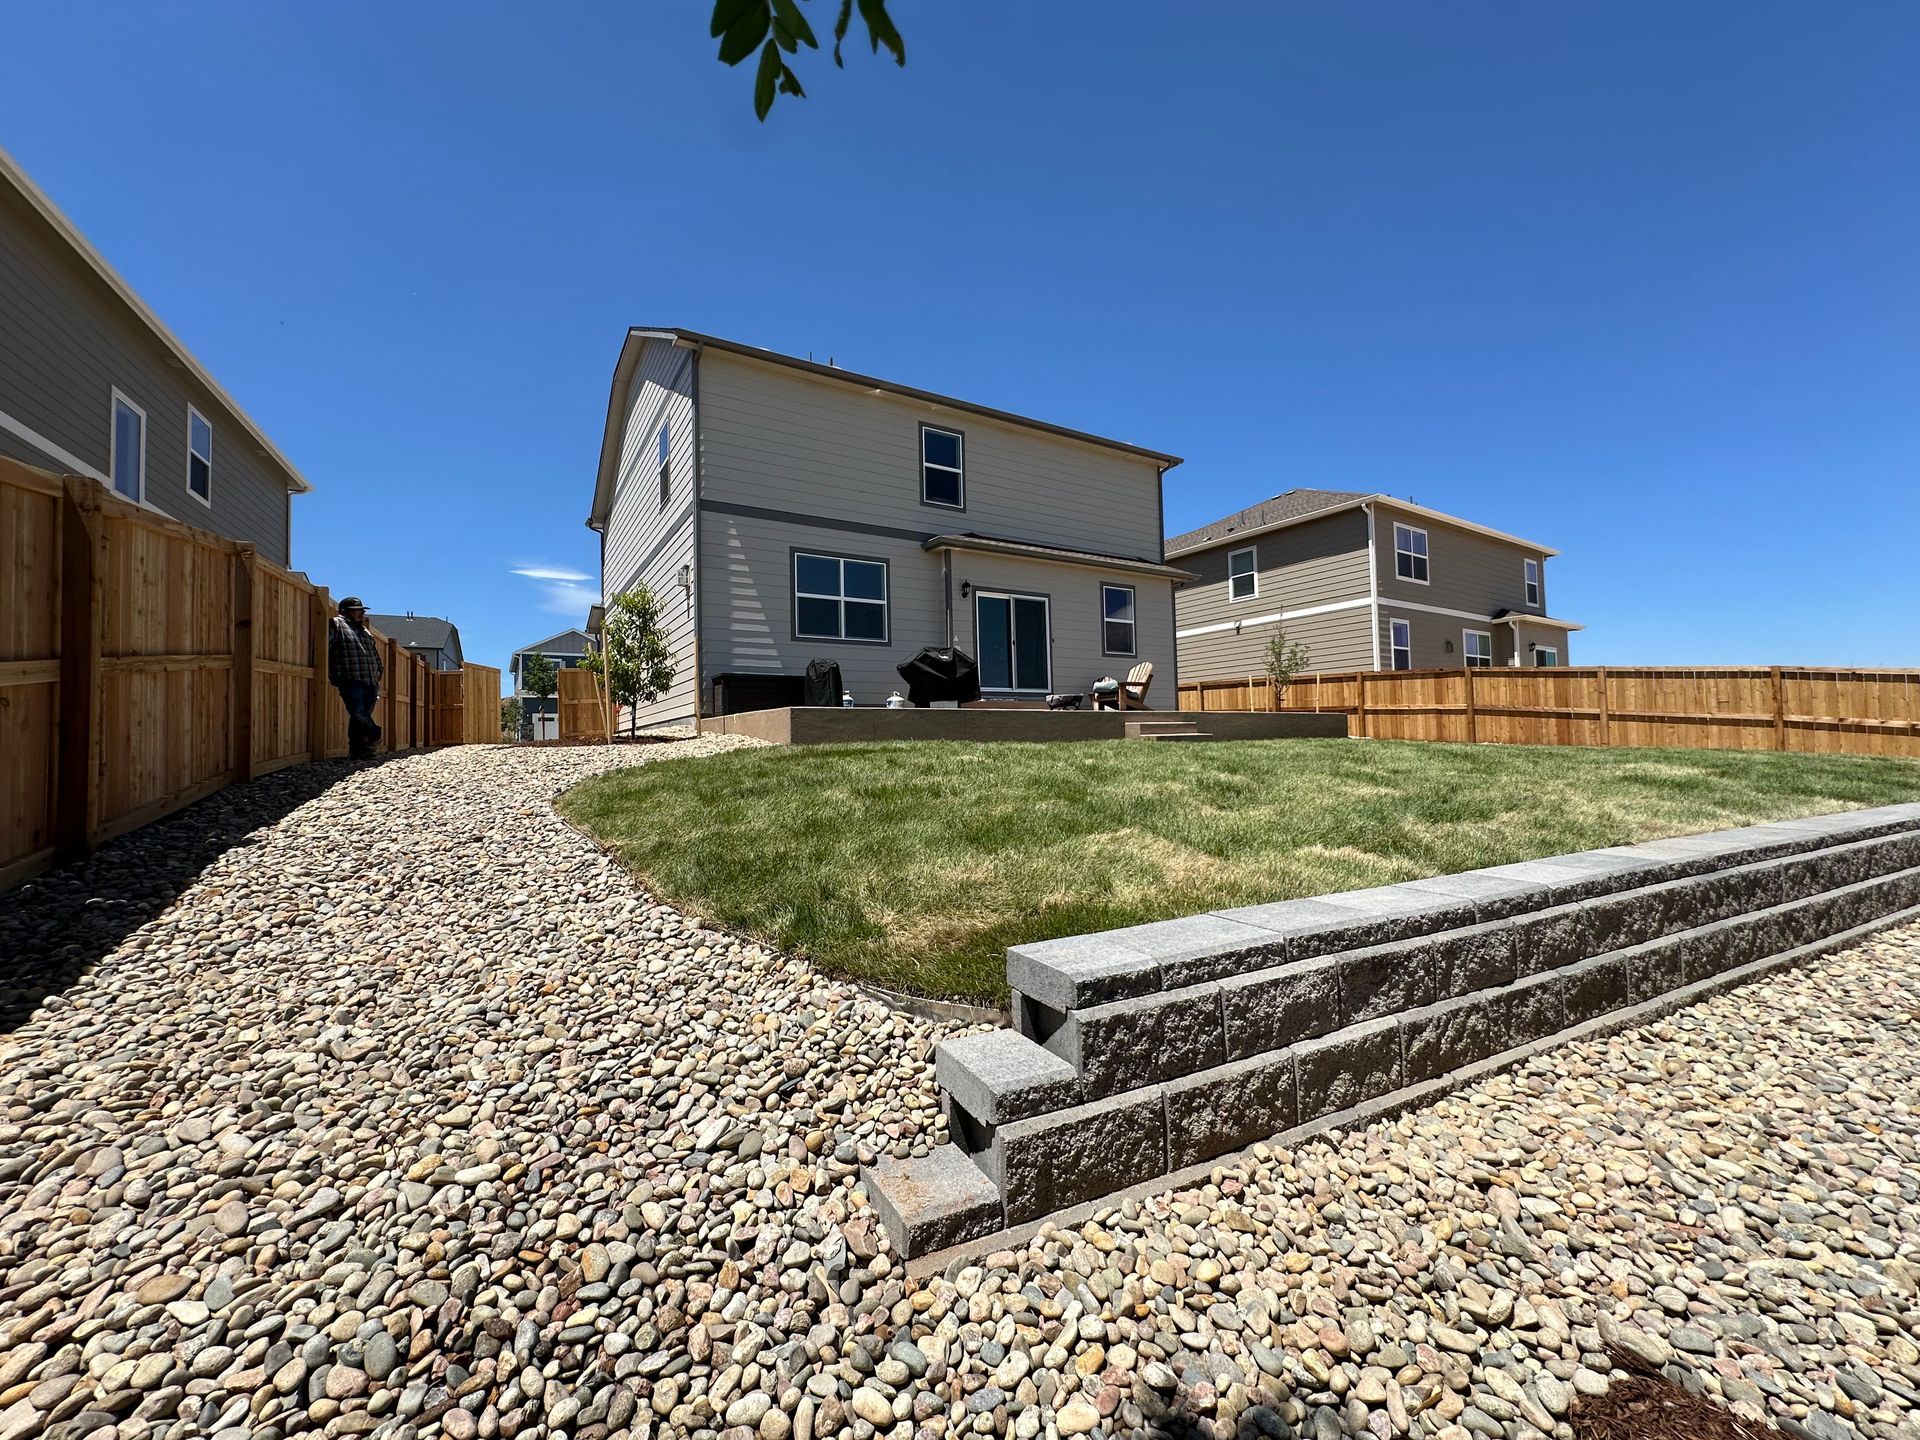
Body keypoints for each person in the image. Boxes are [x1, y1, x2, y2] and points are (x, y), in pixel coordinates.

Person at [328, 596, 384, 759]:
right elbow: (326, 649)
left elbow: (374, 652)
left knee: (359, 716)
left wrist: (379, 669)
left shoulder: (364, 630)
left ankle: (358, 751)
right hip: (350, 677)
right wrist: (333, 673)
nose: (361, 613)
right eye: (357, 611)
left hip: (370, 679)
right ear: (345, 611)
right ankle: (375, 734)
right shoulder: (336, 624)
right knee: (358, 712)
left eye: (361, 610)